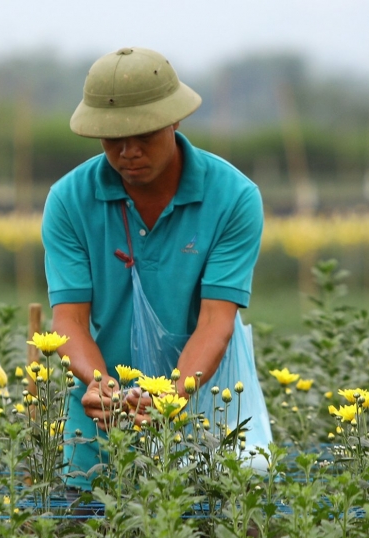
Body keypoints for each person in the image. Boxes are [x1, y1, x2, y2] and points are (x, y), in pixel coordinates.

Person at [41, 47, 265, 496]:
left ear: (175, 120)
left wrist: (168, 400)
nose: (128, 152)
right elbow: (69, 320)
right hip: (99, 425)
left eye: (143, 134)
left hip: (205, 408)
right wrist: (100, 386)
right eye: (112, 139)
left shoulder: (233, 198)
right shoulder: (69, 200)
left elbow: (215, 322)